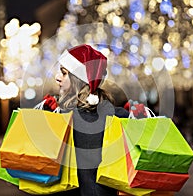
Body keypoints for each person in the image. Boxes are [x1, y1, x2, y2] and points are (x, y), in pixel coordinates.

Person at [43, 44, 129, 196]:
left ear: (78, 79)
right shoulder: (116, 116)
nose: (57, 77)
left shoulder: (69, 118)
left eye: (64, 73)